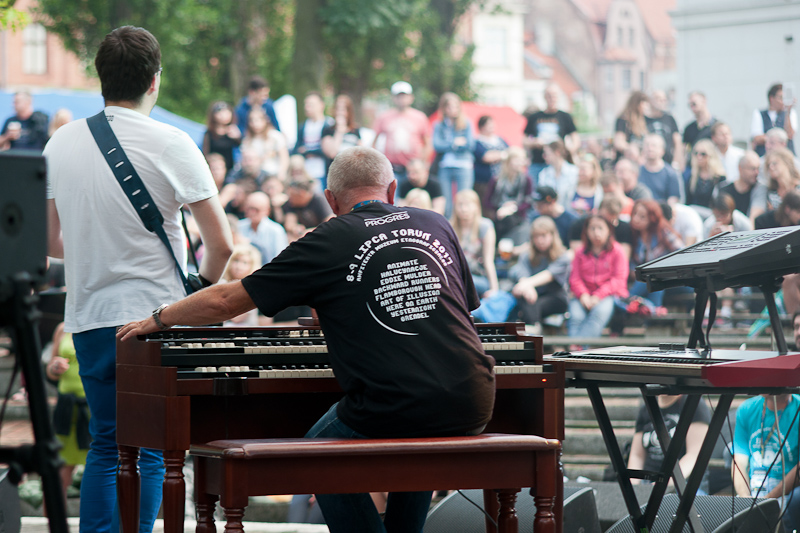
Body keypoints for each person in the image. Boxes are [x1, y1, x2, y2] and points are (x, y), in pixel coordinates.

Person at [117, 145, 496, 533]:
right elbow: (453, 310)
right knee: (417, 433)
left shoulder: (329, 238)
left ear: (330, 200)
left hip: (399, 402)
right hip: (473, 395)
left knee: (313, 454)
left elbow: (227, 299)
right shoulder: (435, 222)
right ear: (393, 190)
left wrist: (159, 318)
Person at [45, 26, 233, 533]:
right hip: (155, 320)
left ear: (101, 78)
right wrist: (196, 295)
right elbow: (222, 244)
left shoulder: (60, 143)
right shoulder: (173, 143)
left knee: (106, 444)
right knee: (152, 450)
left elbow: (50, 244)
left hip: (88, 317)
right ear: (155, 80)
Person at [733, 393, 800, 533]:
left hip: (787, 496)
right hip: (752, 496)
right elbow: (738, 460)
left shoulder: (797, 409)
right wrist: (745, 499)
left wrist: (765, 501)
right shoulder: (747, 409)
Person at [627, 395, 711, 493]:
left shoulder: (693, 403)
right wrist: (634, 486)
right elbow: (637, 456)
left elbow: (693, 456)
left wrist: (663, 483)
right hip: (648, 482)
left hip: (685, 484)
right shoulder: (646, 408)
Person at [567, 215, 629, 346]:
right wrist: (583, 295)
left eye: (600, 228)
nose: (596, 233)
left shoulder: (617, 251)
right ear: (587, 232)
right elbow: (575, 278)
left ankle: (576, 351)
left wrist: (597, 296)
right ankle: (575, 352)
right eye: (592, 229)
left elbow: (618, 279)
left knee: (598, 315)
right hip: (583, 295)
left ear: (608, 231)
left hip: (608, 295)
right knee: (575, 317)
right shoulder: (580, 252)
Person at [46, 322, 89, 497]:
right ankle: (54, 522)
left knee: (100, 464)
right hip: (66, 408)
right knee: (60, 467)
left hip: (92, 407)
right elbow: (50, 371)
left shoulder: (106, 323)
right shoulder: (62, 327)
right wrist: (54, 367)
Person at [509, 216, 571, 331]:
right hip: (531, 296)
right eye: (536, 236)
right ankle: (533, 329)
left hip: (555, 298)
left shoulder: (562, 257)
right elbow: (521, 273)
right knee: (528, 299)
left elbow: (548, 275)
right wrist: (527, 287)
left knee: (532, 303)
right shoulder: (526, 256)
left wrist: (525, 284)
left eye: (543, 236)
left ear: (552, 236)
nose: (540, 240)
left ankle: (533, 330)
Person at [372, 81, 431, 186]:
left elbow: (428, 143)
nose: (401, 99)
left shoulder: (420, 117)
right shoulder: (384, 117)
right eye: (398, 96)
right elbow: (374, 142)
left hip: (413, 169)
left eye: (404, 96)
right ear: (393, 98)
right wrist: (378, 163)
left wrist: (423, 165)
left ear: (411, 97)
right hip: (391, 167)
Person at [629, 199, 684, 309]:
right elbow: (633, 266)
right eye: (634, 214)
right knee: (651, 280)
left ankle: (627, 301)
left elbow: (683, 253)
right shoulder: (634, 236)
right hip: (649, 281)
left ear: (652, 219)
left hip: (673, 279)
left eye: (642, 217)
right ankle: (653, 314)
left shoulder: (663, 232)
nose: (636, 219)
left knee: (653, 278)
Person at [523, 83, 579, 181]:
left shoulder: (565, 117)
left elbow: (575, 138)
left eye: (554, 95)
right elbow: (524, 140)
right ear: (544, 97)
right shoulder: (534, 117)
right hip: (538, 162)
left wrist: (568, 151)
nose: (551, 98)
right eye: (548, 95)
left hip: (558, 162)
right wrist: (535, 143)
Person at [433, 92, 475, 218]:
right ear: (444, 108)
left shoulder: (466, 123)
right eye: (449, 107)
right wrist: (454, 143)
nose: (453, 110)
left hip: (463, 165)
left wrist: (449, 145)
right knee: (446, 202)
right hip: (445, 165)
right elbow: (437, 145)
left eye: (455, 106)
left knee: (464, 199)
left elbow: (470, 145)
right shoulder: (439, 125)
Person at [451, 189, 499, 297]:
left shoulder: (485, 226)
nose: (464, 209)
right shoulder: (450, 228)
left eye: (468, 205)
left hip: (478, 277)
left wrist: (494, 289)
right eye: (460, 205)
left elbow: (488, 260)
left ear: (476, 206)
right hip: (455, 276)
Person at [486, 146, 533, 239]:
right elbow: (487, 201)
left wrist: (512, 208)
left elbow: (528, 202)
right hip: (498, 215)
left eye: (522, 160)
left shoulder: (526, 180)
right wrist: (502, 208)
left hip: (518, 216)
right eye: (517, 160)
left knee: (509, 220)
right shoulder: (496, 180)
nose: (520, 163)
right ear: (508, 161)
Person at [294, 92, 335, 189]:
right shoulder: (303, 126)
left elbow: (330, 150)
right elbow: (297, 148)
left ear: (321, 105)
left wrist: (309, 151)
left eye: (311, 105)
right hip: (306, 171)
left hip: (324, 170)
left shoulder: (329, 124)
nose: (307, 108)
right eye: (306, 105)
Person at [238, 191, 289, 265]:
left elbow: (280, 260)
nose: (252, 212)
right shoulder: (239, 226)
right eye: (249, 208)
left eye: (256, 210)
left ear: (267, 211)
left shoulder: (276, 231)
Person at [220, 244, 262, 327]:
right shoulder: (221, 283)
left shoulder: (254, 288)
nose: (239, 266)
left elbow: (236, 318)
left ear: (252, 266)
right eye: (236, 260)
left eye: (245, 263)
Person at [718, 151, 767, 222]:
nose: (756, 173)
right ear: (740, 169)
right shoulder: (724, 189)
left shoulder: (759, 188)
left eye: (758, 169)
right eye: (752, 169)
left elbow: (754, 218)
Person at [242, 107, 288, 181]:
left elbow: (284, 158)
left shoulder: (276, 136)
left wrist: (282, 173)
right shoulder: (247, 140)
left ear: (265, 120)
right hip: (254, 176)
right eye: (252, 120)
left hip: (273, 174)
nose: (255, 123)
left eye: (258, 120)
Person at [751, 83, 796, 156]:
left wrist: (788, 112)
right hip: (764, 156)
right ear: (771, 99)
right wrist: (777, 140)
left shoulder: (790, 113)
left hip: (786, 155)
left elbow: (790, 134)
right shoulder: (759, 113)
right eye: (781, 98)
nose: (783, 101)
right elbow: (757, 137)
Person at [321, 94, 362, 174]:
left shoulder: (355, 130)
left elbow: (360, 153)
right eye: (338, 109)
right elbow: (332, 153)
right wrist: (339, 131)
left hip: (352, 172)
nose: (340, 112)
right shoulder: (328, 129)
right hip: (335, 173)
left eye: (343, 109)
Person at [473, 115, 509, 202]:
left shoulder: (500, 139)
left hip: (502, 178)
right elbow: (486, 157)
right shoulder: (477, 142)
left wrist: (497, 155)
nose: (492, 126)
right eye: (488, 124)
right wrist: (502, 155)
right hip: (484, 181)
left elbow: (510, 152)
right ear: (482, 127)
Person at [639, 134, 682, 204]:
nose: (650, 148)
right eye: (647, 145)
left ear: (662, 150)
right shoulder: (637, 171)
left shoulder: (670, 173)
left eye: (654, 146)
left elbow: (673, 198)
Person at [685, 138, 726, 210]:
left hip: (712, 214)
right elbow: (687, 201)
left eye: (703, 154)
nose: (699, 157)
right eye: (696, 153)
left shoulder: (720, 177)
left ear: (711, 155)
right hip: (694, 213)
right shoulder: (691, 176)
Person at [646, 90, 683, 168]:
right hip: (648, 164)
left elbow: (678, 142)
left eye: (664, 99)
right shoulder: (643, 119)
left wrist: (676, 162)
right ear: (650, 101)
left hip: (667, 163)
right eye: (658, 99)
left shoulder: (670, 118)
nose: (662, 102)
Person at [202, 101, 241, 173]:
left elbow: (242, 147)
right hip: (213, 168)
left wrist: (238, 138)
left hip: (229, 168)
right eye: (221, 113)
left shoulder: (233, 130)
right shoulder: (209, 133)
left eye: (227, 112)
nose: (224, 115)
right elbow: (205, 153)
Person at [683, 91, 717, 165]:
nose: (692, 107)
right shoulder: (689, 128)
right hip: (694, 168)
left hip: (712, 166)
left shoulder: (716, 126)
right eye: (690, 105)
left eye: (694, 104)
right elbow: (685, 151)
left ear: (704, 101)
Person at [614, 91, 649, 159]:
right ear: (637, 104)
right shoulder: (623, 120)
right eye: (644, 104)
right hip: (627, 160)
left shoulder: (644, 120)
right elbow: (619, 142)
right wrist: (631, 149)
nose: (646, 107)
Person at [764, 147, 800, 211]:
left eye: (774, 163)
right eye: (768, 165)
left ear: (786, 163)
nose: (771, 167)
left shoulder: (798, 187)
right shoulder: (771, 192)